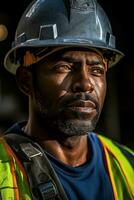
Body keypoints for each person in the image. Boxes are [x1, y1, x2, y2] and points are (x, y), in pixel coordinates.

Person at [1, 0, 134, 199]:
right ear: (25, 80)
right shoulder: (5, 172)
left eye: (96, 70)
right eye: (64, 67)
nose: (85, 83)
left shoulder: (127, 164)